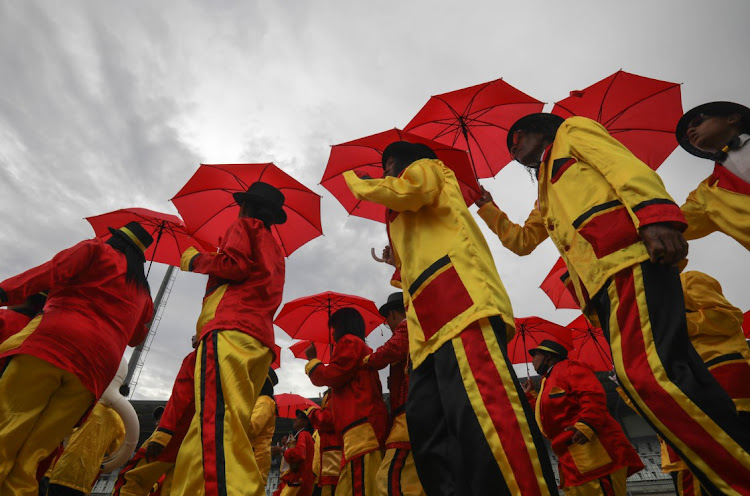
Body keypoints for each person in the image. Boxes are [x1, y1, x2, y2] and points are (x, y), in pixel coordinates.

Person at [476, 112, 750, 494]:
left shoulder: (574, 131)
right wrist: (485, 206)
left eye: (517, 137)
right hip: (599, 286)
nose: (514, 149)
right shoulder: (544, 187)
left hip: (626, 259)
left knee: (653, 377)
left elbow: (624, 167)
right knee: (650, 381)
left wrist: (655, 216)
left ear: (541, 130)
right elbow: (521, 242)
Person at [344, 141, 557, 496]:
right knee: (430, 433)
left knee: (483, 418)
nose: (385, 174)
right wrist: (393, 259)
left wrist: (358, 180)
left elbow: (411, 191)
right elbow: (412, 258)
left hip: (461, 307)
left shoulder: (429, 170)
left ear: (404, 163)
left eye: (388, 166)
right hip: (426, 331)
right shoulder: (403, 210)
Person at [0, 221, 154, 496]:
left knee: (7, 428)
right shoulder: (144, 291)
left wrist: (5, 291)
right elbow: (136, 338)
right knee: (35, 453)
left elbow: (52, 271)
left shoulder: (95, 250)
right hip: (94, 370)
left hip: (52, 343)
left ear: (116, 240)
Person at [171, 181, 287, 496]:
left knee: (216, 424)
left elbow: (234, 266)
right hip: (258, 339)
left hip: (231, 331)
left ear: (246, 206)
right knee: (219, 424)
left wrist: (195, 260)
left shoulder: (244, 225)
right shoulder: (277, 250)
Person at [522, 334, 643, 495]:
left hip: (594, 456)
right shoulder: (547, 380)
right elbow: (548, 414)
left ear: (548, 355)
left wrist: (586, 424)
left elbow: (592, 395)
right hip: (572, 463)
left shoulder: (570, 367)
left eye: (535, 355)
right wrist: (530, 396)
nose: (532, 360)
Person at [305, 308, 389, 496]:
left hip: (360, 428)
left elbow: (332, 375)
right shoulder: (359, 346)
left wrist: (312, 361)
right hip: (360, 428)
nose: (333, 333)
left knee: (359, 486)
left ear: (343, 326)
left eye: (334, 327)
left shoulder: (349, 342)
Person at [113, 339, 199, 496]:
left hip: (176, 434)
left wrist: (163, 433)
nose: (192, 337)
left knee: (131, 480)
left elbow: (181, 396)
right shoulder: (234, 356)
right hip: (203, 439)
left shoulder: (198, 357)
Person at [364, 292, 424, 496]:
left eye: (386, 320)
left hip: (408, 414)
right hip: (414, 410)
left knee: (389, 478)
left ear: (392, 314)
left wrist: (365, 361)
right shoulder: (419, 327)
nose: (387, 325)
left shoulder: (408, 326)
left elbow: (390, 350)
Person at [675, 101, 750, 250]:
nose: (690, 132)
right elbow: (671, 223)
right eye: (686, 137)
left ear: (732, 118)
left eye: (697, 121)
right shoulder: (705, 195)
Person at [46, 401, 126, 495]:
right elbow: (116, 452)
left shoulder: (87, 406)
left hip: (64, 466)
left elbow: (65, 431)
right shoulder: (119, 421)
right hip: (87, 475)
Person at [272, 408, 316, 496]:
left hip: (298, 481)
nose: (295, 419)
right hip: (300, 480)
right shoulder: (304, 435)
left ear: (306, 422)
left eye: (299, 417)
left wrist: (282, 450)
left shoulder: (303, 434)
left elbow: (299, 454)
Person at [307, 390, 341, 496]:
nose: (295, 421)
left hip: (333, 461)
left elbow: (326, 419)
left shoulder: (336, 394)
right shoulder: (315, 434)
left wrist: (313, 412)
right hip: (325, 467)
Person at [250, 369, 279, 487]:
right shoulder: (259, 401)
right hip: (253, 455)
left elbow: (252, 427)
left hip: (256, 456)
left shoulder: (265, 402)